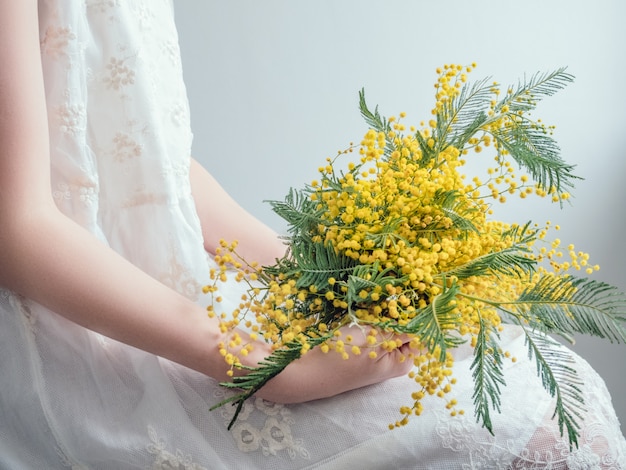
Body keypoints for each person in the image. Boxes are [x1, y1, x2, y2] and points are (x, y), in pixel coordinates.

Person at [0, 2, 624, 468]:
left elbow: (142, 157)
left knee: (548, 382)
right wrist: (264, 362)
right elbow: (16, 227)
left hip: (184, 301)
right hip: (85, 345)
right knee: (530, 425)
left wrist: (320, 282)